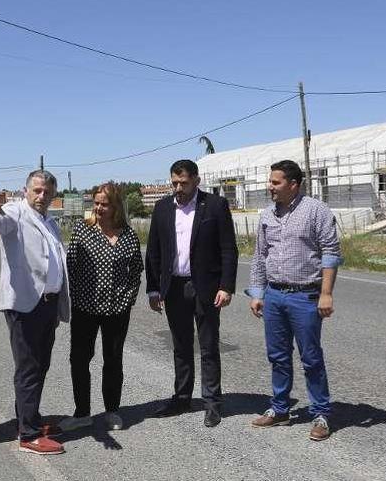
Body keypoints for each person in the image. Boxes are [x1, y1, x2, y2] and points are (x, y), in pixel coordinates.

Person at [246, 160, 342, 441]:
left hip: (306, 296)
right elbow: (260, 256)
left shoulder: (316, 211)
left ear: (293, 185)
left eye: (275, 183)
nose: (270, 187)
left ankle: (321, 414)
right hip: (274, 295)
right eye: (270, 181)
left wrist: (326, 293)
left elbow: (330, 253)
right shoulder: (266, 215)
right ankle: (280, 408)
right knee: (277, 356)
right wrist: (257, 292)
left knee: (311, 357)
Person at [0, 169, 70, 455]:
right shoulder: (15, 212)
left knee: (40, 365)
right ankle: (28, 435)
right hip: (25, 305)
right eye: (37, 191)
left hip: (48, 305)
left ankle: (28, 418)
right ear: (26, 190)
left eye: (47, 192)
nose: (42, 196)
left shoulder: (50, 221)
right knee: (28, 367)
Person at [145, 159, 238, 428]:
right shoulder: (163, 208)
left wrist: (226, 286)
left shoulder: (215, 206)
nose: (178, 187)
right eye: (174, 182)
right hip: (173, 287)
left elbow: (228, 249)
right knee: (181, 346)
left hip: (206, 288)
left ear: (196, 180)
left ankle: (212, 403)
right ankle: (182, 397)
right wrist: (153, 288)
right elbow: (154, 251)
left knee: (208, 346)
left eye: (183, 183)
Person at [58, 183, 143, 432]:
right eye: (96, 203)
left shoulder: (128, 235)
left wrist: (129, 298)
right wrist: (76, 296)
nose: (98, 208)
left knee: (113, 360)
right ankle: (82, 412)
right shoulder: (82, 231)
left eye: (104, 204)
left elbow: (136, 269)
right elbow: (70, 267)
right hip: (86, 307)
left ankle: (112, 411)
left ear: (116, 206)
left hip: (117, 310)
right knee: (80, 359)